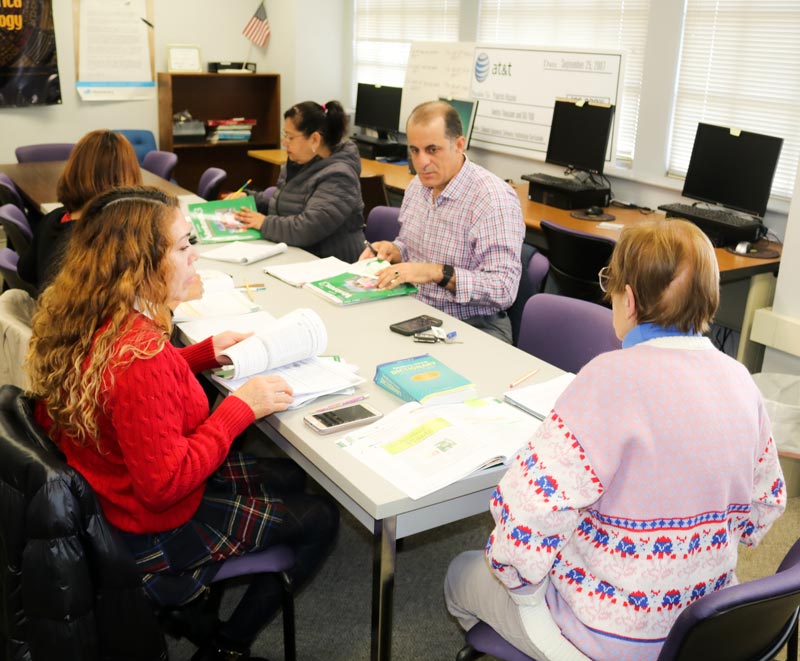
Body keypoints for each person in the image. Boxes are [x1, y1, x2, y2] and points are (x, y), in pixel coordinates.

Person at [444, 219, 786, 661]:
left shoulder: (608, 380)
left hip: (604, 641)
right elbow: (766, 505)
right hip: (705, 632)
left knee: (461, 573)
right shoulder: (741, 380)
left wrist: (524, 583)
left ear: (628, 298)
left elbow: (523, 524)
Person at [26, 186, 339, 661]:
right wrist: (240, 409)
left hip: (111, 492)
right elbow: (165, 484)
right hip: (148, 525)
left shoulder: (99, 316)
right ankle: (227, 645)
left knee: (292, 476)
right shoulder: (140, 358)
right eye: (183, 246)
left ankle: (199, 615)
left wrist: (202, 354)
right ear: (140, 264)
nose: (196, 256)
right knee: (320, 517)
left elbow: (129, 392)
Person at [359, 100, 524, 343]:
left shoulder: (492, 199)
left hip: (473, 326)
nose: (422, 162)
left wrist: (437, 272)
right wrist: (393, 250)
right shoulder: (418, 186)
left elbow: (503, 288)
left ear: (459, 145)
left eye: (432, 149)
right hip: (418, 312)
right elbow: (410, 248)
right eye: (415, 150)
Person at [231, 100, 366, 262]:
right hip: (297, 256)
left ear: (315, 139)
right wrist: (248, 199)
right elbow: (285, 205)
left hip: (330, 263)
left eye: (290, 137)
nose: (284, 142)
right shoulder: (299, 162)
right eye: (284, 135)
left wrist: (264, 223)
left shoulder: (339, 176)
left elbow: (308, 228)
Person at [18, 129, 142, 293]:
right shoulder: (109, 238)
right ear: (126, 178)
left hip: (49, 312)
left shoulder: (53, 218)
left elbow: (25, 272)